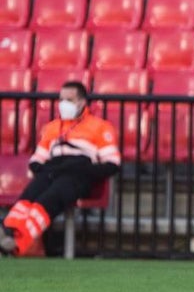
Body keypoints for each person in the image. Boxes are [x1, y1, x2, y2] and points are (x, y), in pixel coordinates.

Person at [1, 82, 120, 258]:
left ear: (82, 102)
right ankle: (8, 231)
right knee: (28, 198)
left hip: (78, 175)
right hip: (53, 170)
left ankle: (16, 243)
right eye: (61, 99)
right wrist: (46, 170)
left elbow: (112, 163)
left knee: (47, 200)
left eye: (69, 100)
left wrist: (85, 171)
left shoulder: (100, 127)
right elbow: (37, 159)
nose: (63, 104)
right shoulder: (52, 128)